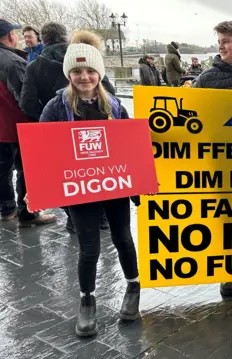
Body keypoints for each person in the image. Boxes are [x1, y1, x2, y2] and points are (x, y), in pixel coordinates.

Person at [38, 30, 141, 337]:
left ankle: (133, 287)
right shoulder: (56, 108)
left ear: (99, 73)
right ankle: (87, 300)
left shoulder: (115, 107)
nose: (84, 77)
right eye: (78, 71)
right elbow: (42, 149)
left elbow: (130, 148)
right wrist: (38, 185)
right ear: (69, 74)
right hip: (79, 187)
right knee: (88, 247)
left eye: (90, 71)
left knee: (123, 237)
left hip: (114, 185)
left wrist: (140, 181)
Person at [19, 21, 112, 232]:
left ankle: (74, 218)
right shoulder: (90, 67)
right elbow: (110, 95)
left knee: (70, 179)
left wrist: (49, 124)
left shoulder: (35, 66)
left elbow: (27, 102)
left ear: (44, 39)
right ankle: (100, 218)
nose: (84, 76)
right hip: (96, 139)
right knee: (96, 177)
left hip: (60, 139)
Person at [0, 19, 56, 227]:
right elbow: (26, 99)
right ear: (11, 37)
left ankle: (7, 209)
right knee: (27, 170)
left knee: (2, 169)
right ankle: (28, 213)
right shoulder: (12, 62)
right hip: (17, 126)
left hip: (2, 128)